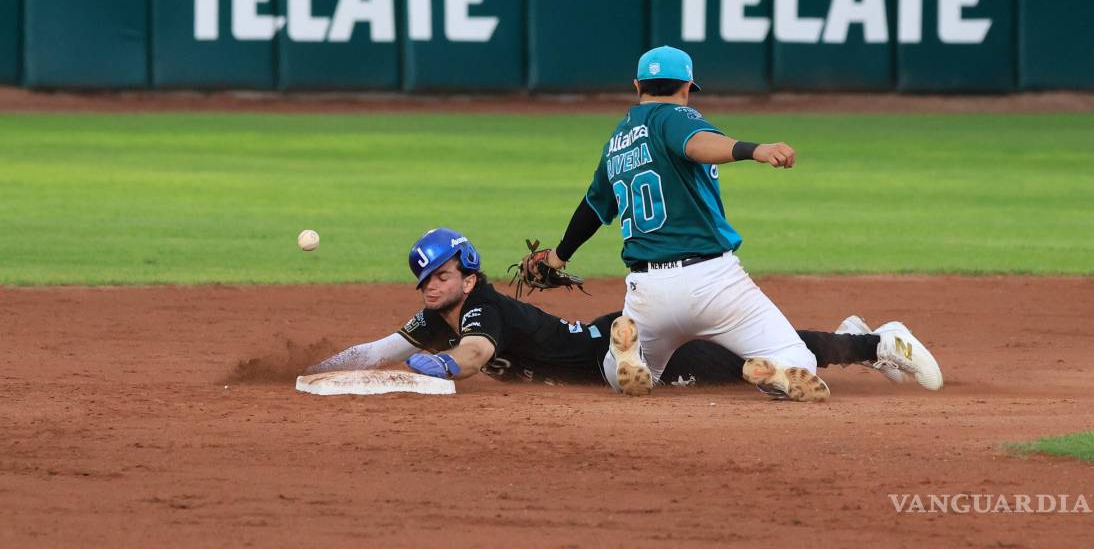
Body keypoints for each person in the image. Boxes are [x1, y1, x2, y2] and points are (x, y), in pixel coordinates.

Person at [536, 45, 908, 401]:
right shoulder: (676, 117)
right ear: (686, 88)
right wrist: (754, 150)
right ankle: (776, 371)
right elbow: (696, 144)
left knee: (623, 374)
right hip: (714, 282)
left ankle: (629, 357)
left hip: (647, 291)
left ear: (636, 87)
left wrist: (558, 257)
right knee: (800, 360)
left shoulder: (616, 142)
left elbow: (592, 208)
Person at [306, 228, 944, 394]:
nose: (429, 288)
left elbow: (473, 356)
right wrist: (321, 366)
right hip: (615, 346)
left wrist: (437, 368)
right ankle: (853, 337)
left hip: (624, 351)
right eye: (424, 280)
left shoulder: (481, 310)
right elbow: (383, 347)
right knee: (743, 354)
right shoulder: (435, 314)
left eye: (441, 276)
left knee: (739, 362)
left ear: (468, 275)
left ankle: (870, 343)